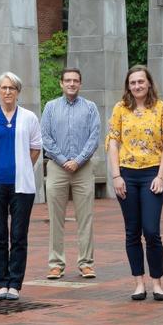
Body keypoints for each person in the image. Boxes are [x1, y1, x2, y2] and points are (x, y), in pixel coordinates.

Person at [106, 65, 163, 302]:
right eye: (132, 82)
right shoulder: (120, 109)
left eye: (141, 82)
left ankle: (157, 282)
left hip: (151, 175)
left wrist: (161, 176)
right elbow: (113, 142)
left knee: (152, 230)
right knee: (132, 231)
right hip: (127, 175)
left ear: (149, 83)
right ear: (128, 86)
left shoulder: (161, 108)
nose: (137, 86)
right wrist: (116, 176)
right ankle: (139, 282)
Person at [0, 72, 43, 302]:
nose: (7, 92)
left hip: (22, 186)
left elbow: (36, 146)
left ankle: (15, 283)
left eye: (12, 88)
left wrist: (24, 166)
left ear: (18, 92)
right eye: (3, 88)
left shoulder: (29, 117)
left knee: (19, 235)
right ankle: (1, 283)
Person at [40, 67, 100, 280]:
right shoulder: (50, 107)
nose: (71, 84)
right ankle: (56, 263)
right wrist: (64, 160)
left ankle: (86, 263)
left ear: (80, 84)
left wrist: (78, 160)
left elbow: (94, 137)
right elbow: (45, 137)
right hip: (57, 167)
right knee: (56, 218)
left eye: (75, 80)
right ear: (61, 83)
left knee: (85, 218)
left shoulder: (91, 108)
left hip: (83, 168)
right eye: (67, 80)